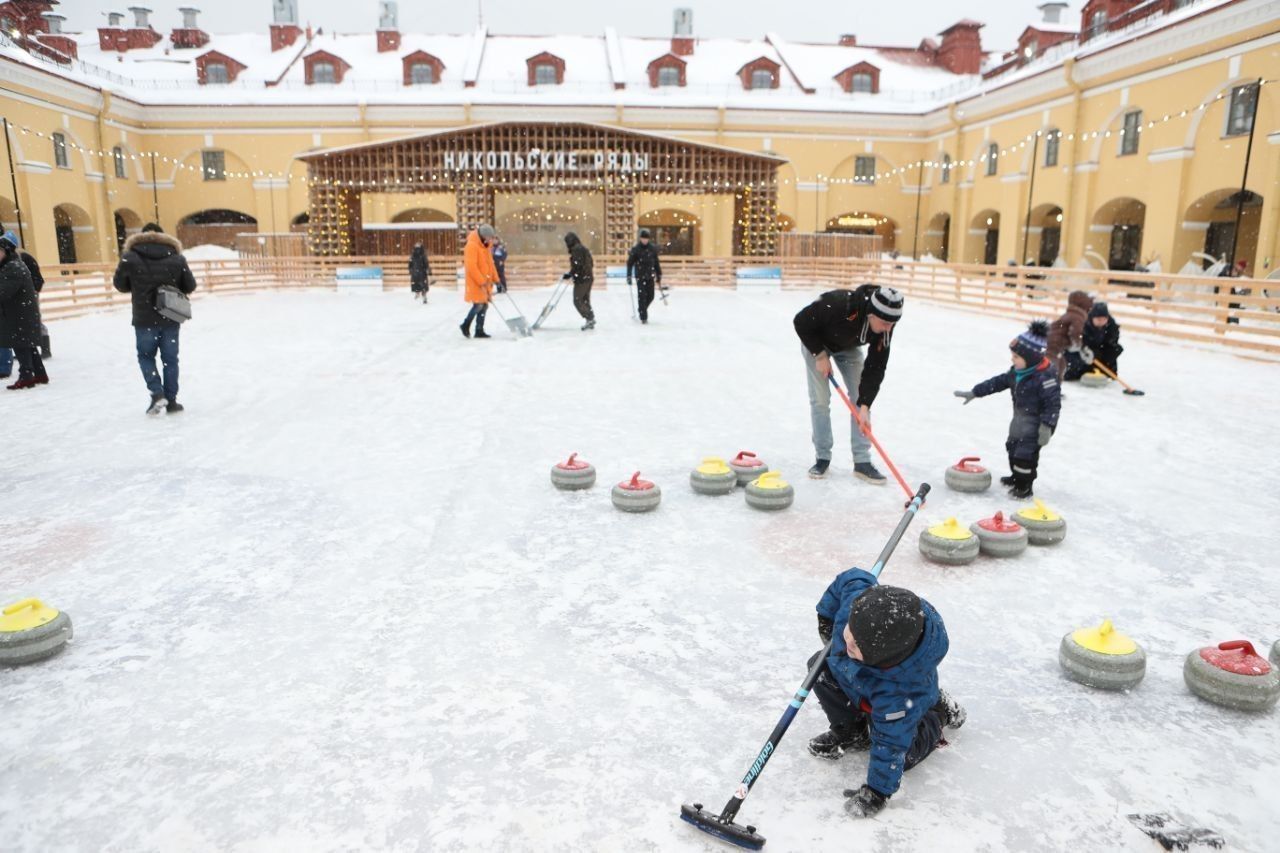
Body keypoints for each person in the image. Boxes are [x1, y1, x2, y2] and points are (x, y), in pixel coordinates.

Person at [807, 568, 965, 819]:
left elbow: (891, 745)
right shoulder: (858, 604)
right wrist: (826, 615)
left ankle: (939, 712)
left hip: (896, 700)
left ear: (881, 660)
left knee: (906, 756)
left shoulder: (899, 693)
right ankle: (852, 733)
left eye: (855, 646)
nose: (845, 641)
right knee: (819, 669)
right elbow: (853, 577)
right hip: (854, 679)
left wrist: (877, 791)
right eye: (848, 632)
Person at [792, 284, 903, 483]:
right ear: (871, 314)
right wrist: (819, 355)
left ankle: (862, 461)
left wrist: (865, 404)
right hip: (817, 343)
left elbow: (875, 368)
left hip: (848, 347)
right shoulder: (838, 305)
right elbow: (801, 321)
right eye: (886, 323)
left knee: (861, 403)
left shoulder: (886, 326)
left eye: (893, 324)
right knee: (820, 400)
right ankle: (823, 457)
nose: (889, 329)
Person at [954, 320, 1060, 499]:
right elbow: (997, 383)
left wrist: (1047, 426)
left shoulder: (1045, 379)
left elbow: (1053, 404)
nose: (1012, 359)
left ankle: (1025, 485)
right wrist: (975, 392)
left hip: (1038, 424)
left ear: (1031, 358)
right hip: (1020, 418)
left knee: (1025, 455)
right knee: (1012, 447)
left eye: (1017, 357)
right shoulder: (1017, 373)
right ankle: (1016, 477)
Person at [112, 223, 197, 414]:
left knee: (146, 356)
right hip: (170, 315)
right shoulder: (176, 258)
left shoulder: (130, 257)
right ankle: (172, 401)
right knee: (170, 360)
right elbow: (190, 285)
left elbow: (120, 285)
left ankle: (157, 393)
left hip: (144, 319)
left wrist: (138, 284)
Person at [0, 230, 47, 390]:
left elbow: (3, 292)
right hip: (21, 312)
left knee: (20, 343)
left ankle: (26, 376)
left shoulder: (12, 267)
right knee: (27, 344)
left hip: (18, 314)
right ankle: (40, 373)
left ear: (7, 250)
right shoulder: (13, 265)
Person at [1064, 302, 1123, 380]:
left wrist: (1099, 353)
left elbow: (1112, 342)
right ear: (1092, 317)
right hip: (1081, 352)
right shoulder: (1082, 324)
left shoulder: (1112, 326)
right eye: (1098, 319)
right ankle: (1080, 371)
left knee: (1116, 349)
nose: (1101, 322)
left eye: (1104, 319)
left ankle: (1100, 370)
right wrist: (1084, 349)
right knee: (1071, 374)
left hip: (1098, 352)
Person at [460, 224, 499, 339]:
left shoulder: (485, 246)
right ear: (484, 236)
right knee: (478, 305)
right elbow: (471, 266)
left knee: (484, 306)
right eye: (490, 237)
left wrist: (497, 280)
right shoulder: (472, 246)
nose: (491, 239)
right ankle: (465, 325)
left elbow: (490, 265)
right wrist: (481, 281)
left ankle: (479, 330)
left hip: (485, 281)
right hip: (476, 282)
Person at [1046, 290, 1093, 381]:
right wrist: (1078, 345)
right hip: (1054, 345)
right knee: (1051, 367)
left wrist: (1081, 347)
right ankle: (1046, 389)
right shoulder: (1078, 316)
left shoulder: (1070, 314)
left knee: (1061, 365)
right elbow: (1075, 333)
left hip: (1054, 344)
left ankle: (1054, 390)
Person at [626, 228, 662, 324]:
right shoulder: (636, 249)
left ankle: (642, 309)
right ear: (640, 239)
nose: (644, 240)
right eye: (643, 238)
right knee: (642, 296)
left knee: (651, 296)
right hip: (640, 276)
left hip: (650, 276)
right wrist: (629, 275)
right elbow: (630, 263)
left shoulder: (652, 249)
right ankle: (643, 317)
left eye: (646, 239)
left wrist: (659, 274)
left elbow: (656, 263)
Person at [562, 232, 595, 331]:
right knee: (585, 300)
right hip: (588, 277)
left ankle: (589, 318)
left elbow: (577, 265)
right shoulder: (582, 248)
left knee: (577, 300)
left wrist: (571, 274)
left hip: (582, 279)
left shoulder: (577, 249)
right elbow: (590, 263)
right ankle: (590, 319)